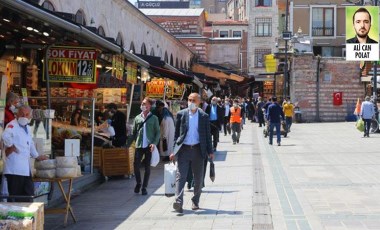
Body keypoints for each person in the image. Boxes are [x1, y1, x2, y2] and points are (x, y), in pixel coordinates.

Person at [169, 93, 214, 213]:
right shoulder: (181, 114)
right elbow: (176, 135)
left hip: (198, 150)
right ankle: (178, 202)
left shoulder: (204, 116)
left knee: (198, 178)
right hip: (183, 150)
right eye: (189, 100)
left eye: (193, 100)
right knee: (180, 176)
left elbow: (207, 136)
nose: (191, 102)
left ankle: (195, 201)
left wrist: (210, 151)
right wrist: (174, 151)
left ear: (199, 102)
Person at [2, 105, 48, 202]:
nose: (24, 116)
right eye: (22, 114)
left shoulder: (27, 128)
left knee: (28, 195)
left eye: (26, 114)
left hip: (25, 169)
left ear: (30, 116)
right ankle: (15, 216)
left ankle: (26, 216)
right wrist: (10, 146)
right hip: (14, 169)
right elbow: (5, 136)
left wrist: (37, 156)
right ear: (17, 114)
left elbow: (30, 143)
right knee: (16, 196)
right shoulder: (12, 125)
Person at [126, 97, 160, 195]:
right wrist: (127, 145)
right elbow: (133, 132)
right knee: (136, 165)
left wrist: (154, 143)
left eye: (145, 103)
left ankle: (144, 187)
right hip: (139, 145)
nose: (142, 105)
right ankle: (138, 183)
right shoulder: (137, 118)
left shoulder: (154, 118)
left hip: (149, 146)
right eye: (142, 103)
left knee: (147, 167)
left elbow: (157, 132)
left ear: (149, 106)